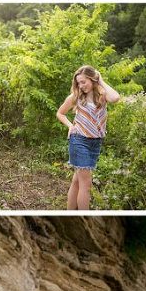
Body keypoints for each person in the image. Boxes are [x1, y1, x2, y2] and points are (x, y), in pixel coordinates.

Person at [56, 66, 120, 210]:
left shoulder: (102, 96)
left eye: (83, 82)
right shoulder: (75, 97)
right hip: (79, 140)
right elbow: (60, 113)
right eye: (78, 83)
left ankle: (70, 212)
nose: (81, 85)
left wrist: (101, 80)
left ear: (93, 79)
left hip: (95, 143)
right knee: (86, 184)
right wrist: (70, 126)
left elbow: (115, 97)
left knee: (77, 182)